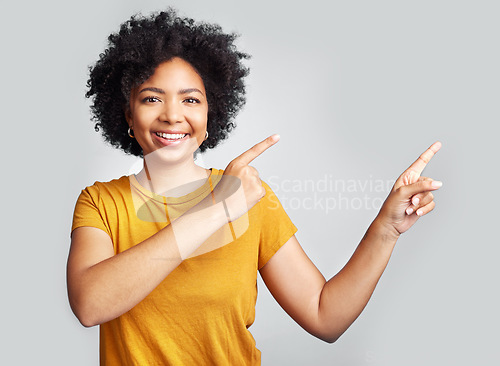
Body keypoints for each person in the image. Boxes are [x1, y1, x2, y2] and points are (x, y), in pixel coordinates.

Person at [67, 8, 443, 365]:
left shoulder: (251, 199)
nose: (172, 115)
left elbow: (324, 316)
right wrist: (216, 210)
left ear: (209, 114)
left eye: (191, 100)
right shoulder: (101, 203)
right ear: (127, 114)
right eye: (151, 98)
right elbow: (91, 304)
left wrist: (387, 228)